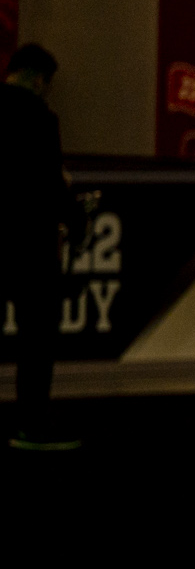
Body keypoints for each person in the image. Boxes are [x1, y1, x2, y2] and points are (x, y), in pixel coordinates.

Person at [0, 43, 77, 451]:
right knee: (35, 341)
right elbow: (49, 187)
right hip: (30, 246)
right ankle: (31, 425)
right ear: (37, 77)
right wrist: (69, 201)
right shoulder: (41, 119)